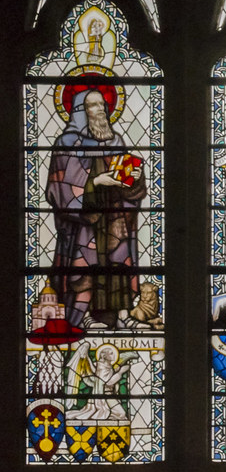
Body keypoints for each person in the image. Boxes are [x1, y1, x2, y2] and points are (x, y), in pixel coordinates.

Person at [46, 88, 147, 329]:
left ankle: (120, 315)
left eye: (103, 105)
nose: (101, 110)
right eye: (93, 106)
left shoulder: (116, 141)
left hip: (114, 219)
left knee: (118, 263)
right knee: (84, 268)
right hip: (83, 224)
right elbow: (58, 188)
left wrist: (135, 179)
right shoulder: (67, 143)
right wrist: (96, 181)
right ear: (80, 111)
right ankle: (84, 317)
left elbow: (128, 188)